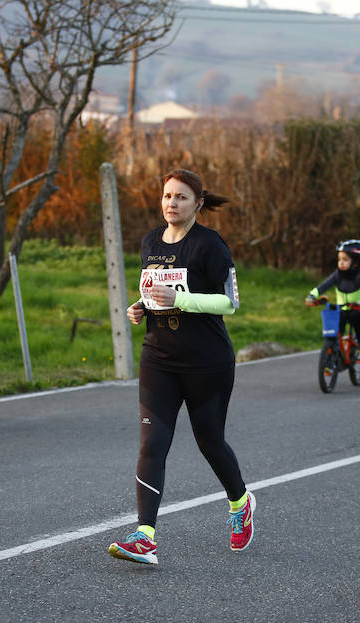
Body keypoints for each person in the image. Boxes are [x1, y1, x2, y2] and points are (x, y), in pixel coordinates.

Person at [108, 168, 253, 565]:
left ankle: (240, 503)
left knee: (210, 442)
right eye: (167, 196)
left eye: (182, 197)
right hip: (159, 358)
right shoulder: (151, 242)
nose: (172, 203)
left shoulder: (211, 246)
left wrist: (180, 301)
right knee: (152, 444)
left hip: (207, 362)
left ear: (198, 204)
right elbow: (154, 291)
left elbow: (229, 303)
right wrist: (143, 307)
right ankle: (145, 536)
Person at [304, 239, 360, 356]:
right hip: (341, 309)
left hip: (358, 308)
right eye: (339, 259)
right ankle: (332, 355)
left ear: (355, 263)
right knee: (335, 327)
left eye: (345, 260)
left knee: (357, 318)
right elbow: (324, 286)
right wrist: (312, 295)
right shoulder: (338, 275)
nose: (341, 263)